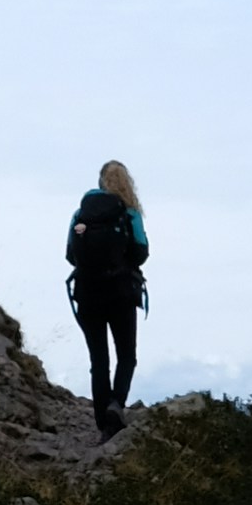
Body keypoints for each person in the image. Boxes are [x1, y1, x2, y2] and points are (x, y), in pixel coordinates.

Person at [64, 156, 148, 437]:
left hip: (88, 294)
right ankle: (116, 405)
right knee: (127, 355)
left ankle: (103, 423)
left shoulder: (81, 214)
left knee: (98, 359)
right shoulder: (129, 213)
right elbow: (141, 252)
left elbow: (69, 254)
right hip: (121, 293)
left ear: (100, 182)